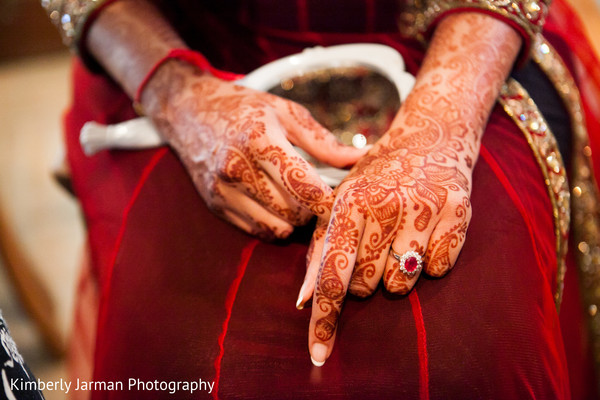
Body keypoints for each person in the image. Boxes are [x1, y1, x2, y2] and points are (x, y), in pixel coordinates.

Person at [43, 0, 600, 398]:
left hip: (452, 37)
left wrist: (439, 129)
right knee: (175, 359)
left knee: (469, 353)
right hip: (173, 47)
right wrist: (177, 95)